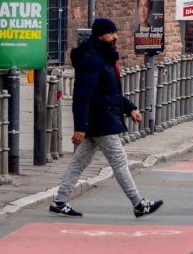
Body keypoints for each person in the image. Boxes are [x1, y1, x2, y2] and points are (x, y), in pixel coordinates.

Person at [50, 18, 163, 219]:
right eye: (111, 33)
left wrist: (130, 109)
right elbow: (82, 96)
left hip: (101, 117)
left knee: (79, 162)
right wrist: (80, 127)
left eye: (115, 32)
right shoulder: (93, 59)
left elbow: (109, 91)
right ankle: (138, 204)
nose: (115, 36)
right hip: (101, 120)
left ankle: (59, 201)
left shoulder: (103, 56)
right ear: (100, 34)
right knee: (119, 162)